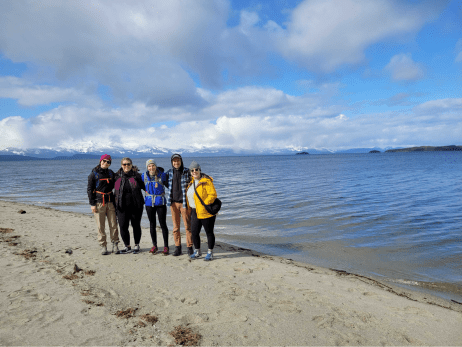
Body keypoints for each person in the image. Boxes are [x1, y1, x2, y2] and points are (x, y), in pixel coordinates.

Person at [87, 154, 120, 255]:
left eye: (108, 162)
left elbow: (118, 183)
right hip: (99, 203)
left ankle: (115, 244)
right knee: (100, 226)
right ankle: (103, 245)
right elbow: (89, 190)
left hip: (110, 203)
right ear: (100, 161)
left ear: (110, 164)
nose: (106, 163)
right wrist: (92, 204)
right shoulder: (93, 174)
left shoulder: (111, 173)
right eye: (104, 161)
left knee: (113, 225)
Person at [186, 161, 218, 261]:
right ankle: (198, 251)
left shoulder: (206, 181)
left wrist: (205, 204)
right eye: (192, 170)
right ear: (190, 172)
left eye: (196, 169)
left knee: (209, 232)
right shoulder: (191, 182)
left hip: (205, 211)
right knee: (194, 232)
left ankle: (210, 252)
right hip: (194, 211)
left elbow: (212, 195)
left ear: (200, 170)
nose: (194, 171)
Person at [114, 157, 145, 254]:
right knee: (123, 226)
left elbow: (146, 187)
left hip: (136, 206)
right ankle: (127, 246)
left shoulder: (137, 176)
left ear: (131, 165)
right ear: (121, 165)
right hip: (121, 206)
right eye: (124, 164)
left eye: (128, 164)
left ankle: (137, 245)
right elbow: (109, 189)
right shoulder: (117, 176)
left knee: (136, 225)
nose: (126, 166)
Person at [165, 154, 192, 256]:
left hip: (185, 203)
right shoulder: (169, 173)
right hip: (173, 204)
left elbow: (195, 178)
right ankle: (178, 248)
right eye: (174, 161)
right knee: (176, 227)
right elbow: (163, 181)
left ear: (181, 161)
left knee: (187, 226)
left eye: (178, 161)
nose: (176, 163)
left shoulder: (186, 171)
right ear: (172, 162)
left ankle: (189, 247)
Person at [141, 159, 169, 255]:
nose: (151, 168)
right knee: (152, 224)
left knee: (163, 224)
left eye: (153, 165)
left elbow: (171, 185)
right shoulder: (143, 176)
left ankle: (166, 246)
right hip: (149, 204)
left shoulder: (163, 175)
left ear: (155, 166)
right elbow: (137, 186)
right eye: (149, 166)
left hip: (160, 203)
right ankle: (155, 245)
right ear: (147, 167)